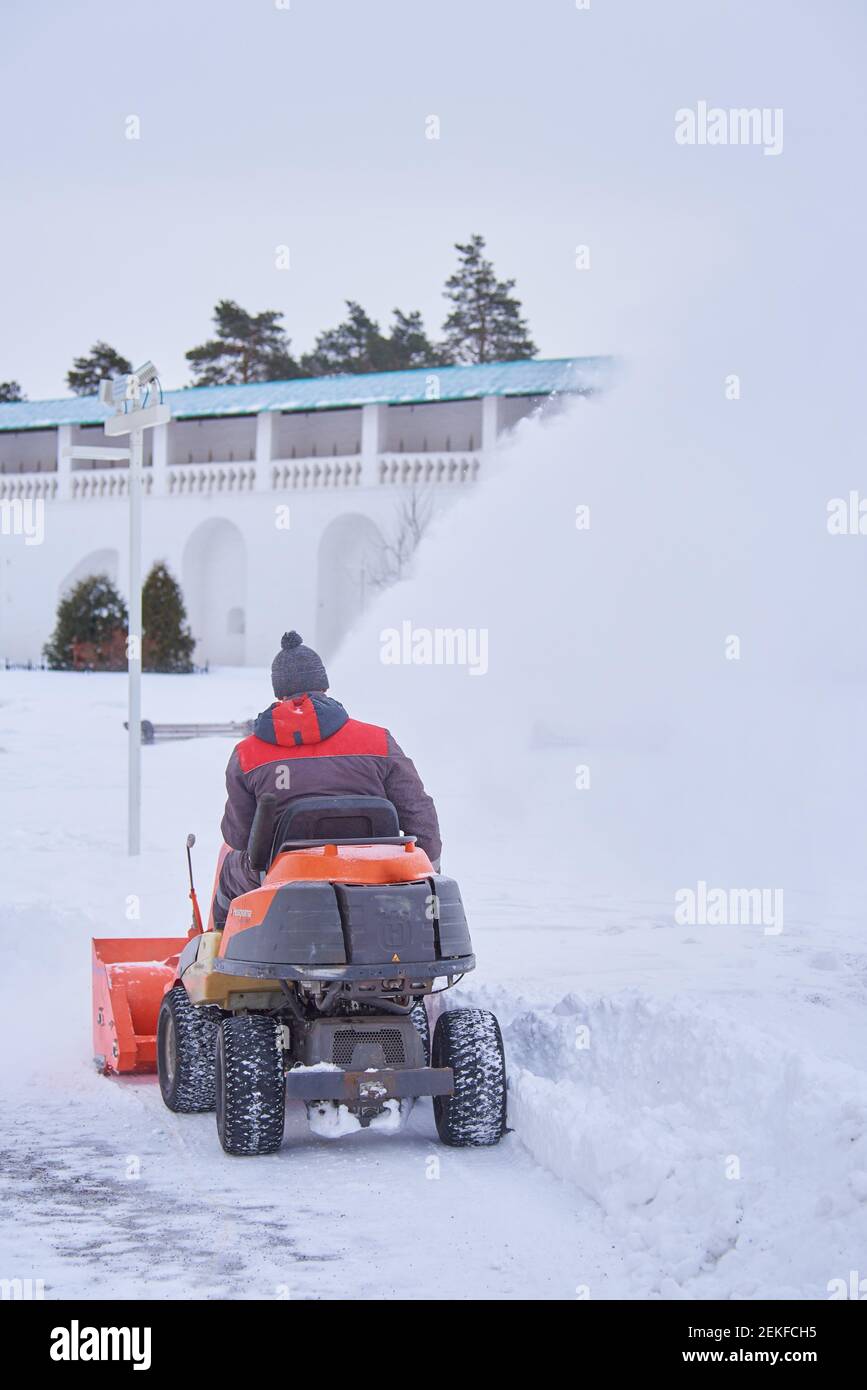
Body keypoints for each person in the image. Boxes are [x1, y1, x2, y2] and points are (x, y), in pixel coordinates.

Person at [213, 630, 441, 927]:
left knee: (229, 866)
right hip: (373, 872)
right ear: (323, 685)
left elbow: (239, 837)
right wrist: (427, 871)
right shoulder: (378, 741)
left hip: (283, 877)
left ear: (278, 692)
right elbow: (419, 813)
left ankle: (217, 952)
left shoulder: (248, 754)